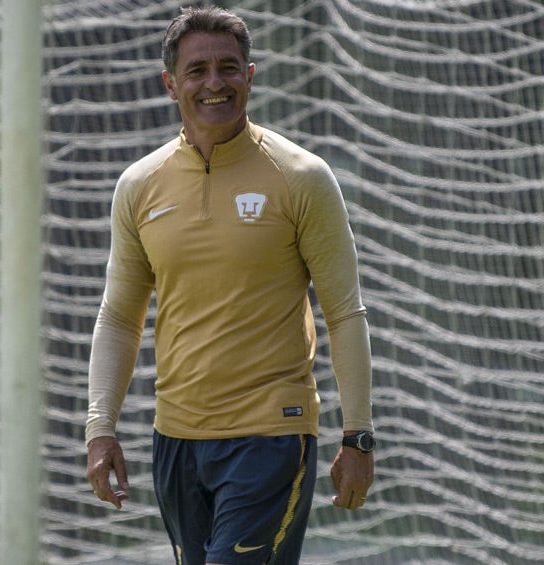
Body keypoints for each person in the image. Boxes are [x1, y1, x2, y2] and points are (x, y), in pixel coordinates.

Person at [85, 6, 374, 565]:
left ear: (250, 75)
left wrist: (357, 435)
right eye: (197, 71)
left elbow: (345, 312)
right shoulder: (139, 186)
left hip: (272, 438)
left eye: (228, 67)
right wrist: (100, 429)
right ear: (170, 84)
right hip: (176, 441)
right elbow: (120, 316)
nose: (214, 83)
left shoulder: (302, 178)